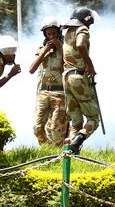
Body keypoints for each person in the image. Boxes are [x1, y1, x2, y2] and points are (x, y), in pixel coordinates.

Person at [61, 7, 100, 154]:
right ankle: (79, 140)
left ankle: (70, 152)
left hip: (66, 77)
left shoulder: (68, 32)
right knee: (93, 119)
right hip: (78, 77)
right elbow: (80, 44)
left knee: (76, 121)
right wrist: (90, 66)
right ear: (86, 20)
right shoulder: (82, 29)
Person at [28, 17, 67, 146]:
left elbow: (67, 66)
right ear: (44, 34)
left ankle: (58, 154)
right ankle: (46, 150)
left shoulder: (66, 48)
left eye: (54, 33)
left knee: (56, 128)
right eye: (48, 34)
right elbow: (31, 69)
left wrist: (60, 49)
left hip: (60, 94)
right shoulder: (41, 49)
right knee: (37, 127)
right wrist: (44, 51)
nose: (51, 36)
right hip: (43, 93)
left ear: (59, 33)